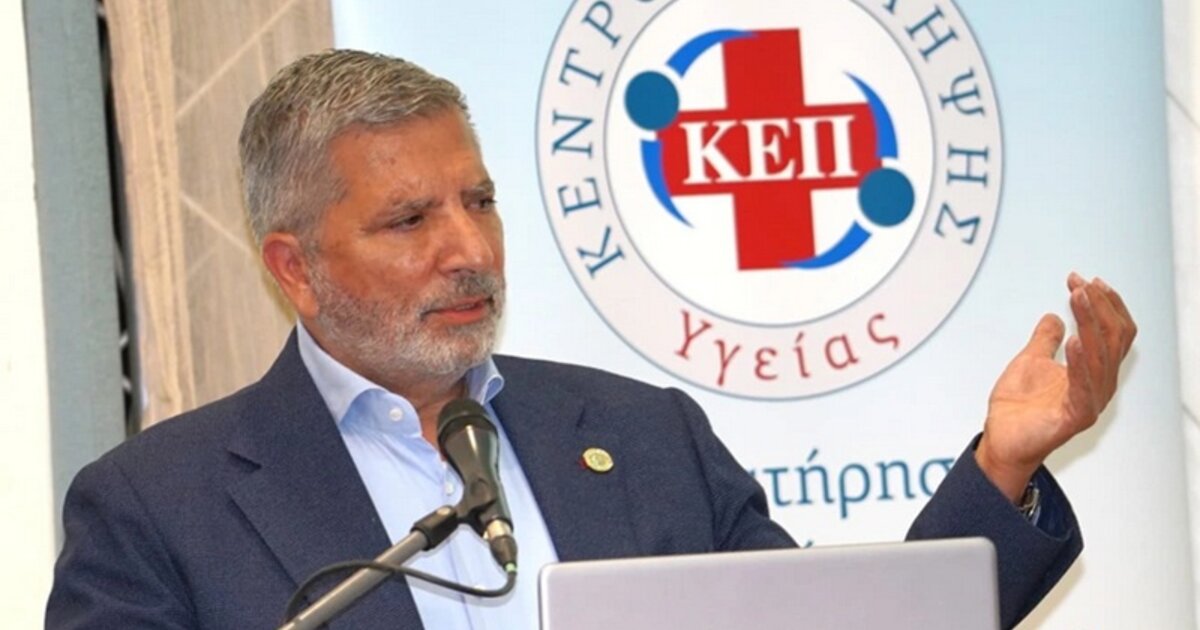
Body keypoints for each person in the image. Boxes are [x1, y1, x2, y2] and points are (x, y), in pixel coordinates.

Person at [45, 50, 1137, 630]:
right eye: (410, 220)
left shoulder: (642, 433)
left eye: (479, 201)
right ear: (294, 268)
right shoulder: (158, 508)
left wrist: (1002, 466)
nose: (469, 249)